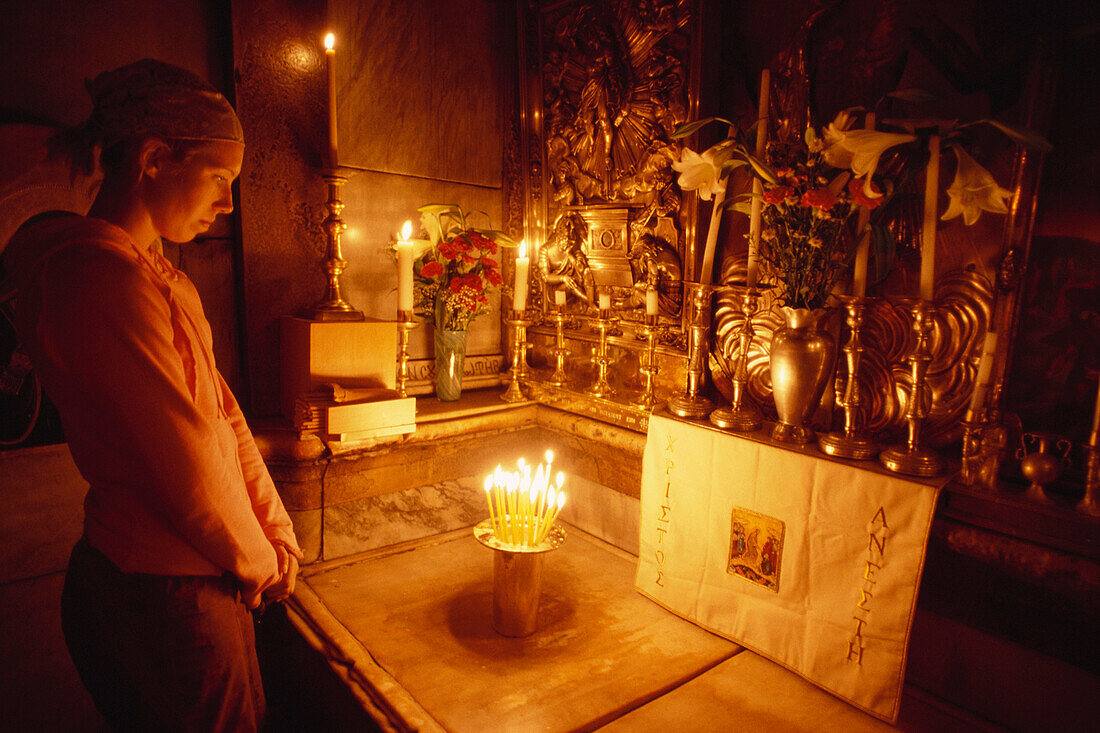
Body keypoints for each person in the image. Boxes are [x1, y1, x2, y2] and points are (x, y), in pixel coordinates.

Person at [3, 59, 301, 731]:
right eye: (221, 178)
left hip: (203, 573)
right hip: (170, 589)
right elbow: (188, 460)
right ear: (154, 158)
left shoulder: (158, 277)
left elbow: (221, 415)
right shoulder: (99, 281)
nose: (228, 203)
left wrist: (274, 530)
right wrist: (260, 562)